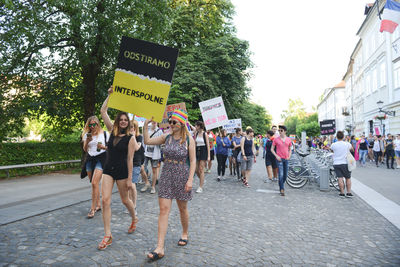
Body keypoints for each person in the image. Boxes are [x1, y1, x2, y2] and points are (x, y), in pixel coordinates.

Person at [143, 110, 195, 261]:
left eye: (174, 122)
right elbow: (147, 141)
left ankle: (185, 232)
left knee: (182, 208)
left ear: (182, 124)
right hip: (166, 174)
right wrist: (145, 126)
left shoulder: (189, 140)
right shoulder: (167, 137)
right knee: (163, 210)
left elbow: (193, 161)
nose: (170, 124)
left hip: (182, 175)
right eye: (170, 122)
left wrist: (190, 180)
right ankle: (160, 247)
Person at [98, 87, 138, 250]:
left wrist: (129, 179)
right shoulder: (111, 131)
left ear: (128, 122)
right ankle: (108, 235)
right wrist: (109, 96)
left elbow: (130, 159)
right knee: (105, 200)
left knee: (124, 200)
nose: (123, 122)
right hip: (108, 169)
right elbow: (103, 111)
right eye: (120, 119)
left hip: (122, 172)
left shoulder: (130, 138)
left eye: (125, 120)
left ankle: (134, 217)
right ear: (117, 121)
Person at [82, 116, 110, 218]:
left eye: (94, 124)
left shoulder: (105, 133)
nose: (92, 126)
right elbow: (85, 149)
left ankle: (92, 209)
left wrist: (103, 147)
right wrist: (87, 141)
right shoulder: (86, 134)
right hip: (90, 158)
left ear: (98, 124)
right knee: (94, 184)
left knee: (94, 182)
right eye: (90, 124)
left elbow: (111, 147)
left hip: (101, 158)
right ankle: (98, 205)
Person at [128, 120, 144, 216]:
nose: (131, 128)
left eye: (132, 127)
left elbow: (137, 148)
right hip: (127, 162)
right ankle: (130, 204)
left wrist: (133, 136)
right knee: (128, 186)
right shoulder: (125, 136)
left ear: (135, 128)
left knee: (132, 184)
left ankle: (134, 205)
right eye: (129, 127)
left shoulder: (139, 137)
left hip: (136, 162)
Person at [141, 121, 162, 194]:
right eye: (153, 121)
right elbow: (144, 140)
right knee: (142, 167)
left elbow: (161, 141)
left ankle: (153, 186)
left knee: (154, 170)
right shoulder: (148, 129)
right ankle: (146, 182)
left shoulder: (159, 131)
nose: (154, 123)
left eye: (155, 122)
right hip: (146, 152)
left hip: (155, 153)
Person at [330, 131, 354, 198]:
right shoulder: (347, 144)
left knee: (340, 178)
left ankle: (342, 193)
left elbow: (331, 150)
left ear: (336, 137)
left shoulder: (333, 144)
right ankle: (349, 193)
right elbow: (352, 150)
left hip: (336, 163)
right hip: (345, 163)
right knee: (348, 178)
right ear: (343, 137)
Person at [271, 125, 292, 196]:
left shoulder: (289, 139)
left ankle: (281, 184)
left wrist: (289, 156)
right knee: (281, 174)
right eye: (279, 130)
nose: (280, 132)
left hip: (286, 159)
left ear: (285, 131)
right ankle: (282, 189)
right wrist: (276, 156)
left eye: (281, 130)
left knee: (285, 175)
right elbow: (272, 149)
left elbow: (290, 149)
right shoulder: (276, 139)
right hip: (279, 159)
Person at [193, 121, 210, 193]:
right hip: (197, 151)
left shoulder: (205, 134)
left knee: (201, 169)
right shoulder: (196, 133)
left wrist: (208, 156)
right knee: (196, 170)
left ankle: (200, 187)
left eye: (196, 126)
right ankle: (202, 180)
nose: (195, 127)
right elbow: (194, 143)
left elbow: (208, 145)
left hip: (203, 151)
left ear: (199, 126)